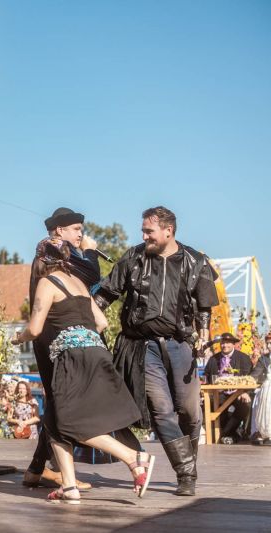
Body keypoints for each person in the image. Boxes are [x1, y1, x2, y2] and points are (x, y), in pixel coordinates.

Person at [14, 239, 153, 504]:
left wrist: (18, 338)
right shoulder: (78, 282)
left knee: (70, 422)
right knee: (54, 420)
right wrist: (82, 335)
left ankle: (133, 457)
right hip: (96, 353)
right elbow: (101, 322)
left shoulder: (47, 283)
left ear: (42, 260)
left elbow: (35, 329)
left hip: (73, 359)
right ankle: (69, 487)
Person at [93, 206, 219, 496]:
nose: (144, 236)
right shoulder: (133, 258)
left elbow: (204, 305)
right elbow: (105, 295)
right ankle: (186, 474)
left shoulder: (196, 261)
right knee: (162, 410)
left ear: (168, 231)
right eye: (143, 231)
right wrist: (83, 317)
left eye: (148, 231)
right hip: (143, 346)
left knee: (190, 412)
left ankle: (188, 463)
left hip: (181, 343)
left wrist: (203, 333)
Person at [23, 207, 104, 489]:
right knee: (63, 404)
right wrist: (90, 252)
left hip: (55, 338)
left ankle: (39, 468)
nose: (81, 234)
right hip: (57, 340)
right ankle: (57, 471)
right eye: (76, 229)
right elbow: (92, 275)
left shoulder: (53, 252)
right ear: (60, 230)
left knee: (60, 403)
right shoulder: (54, 251)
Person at [204, 332, 254, 444]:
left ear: (233, 344)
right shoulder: (213, 359)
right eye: (223, 343)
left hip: (238, 392)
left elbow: (250, 377)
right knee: (212, 405)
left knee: (245, 406)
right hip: (219, 393)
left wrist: (245, 391)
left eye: (228, 343)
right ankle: (232, 435)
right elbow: (206, 376)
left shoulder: (243, 358)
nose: (225, 345)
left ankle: (224, 434)